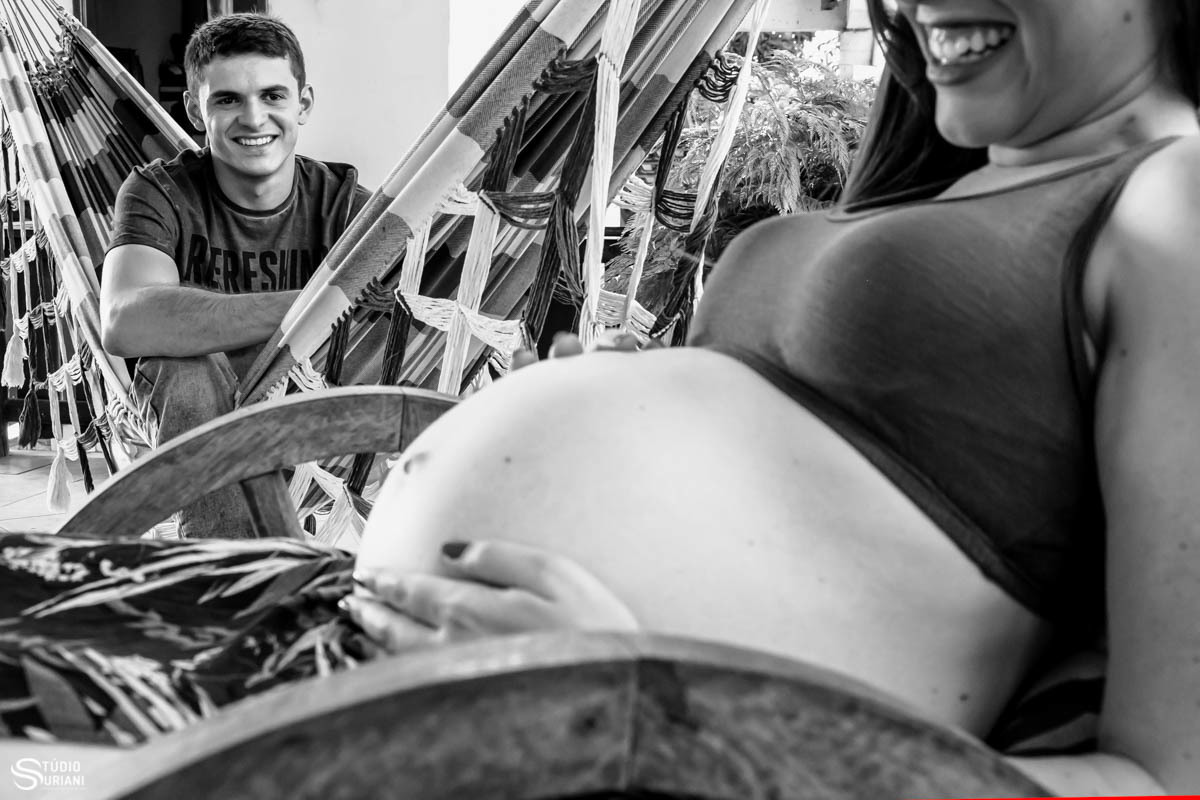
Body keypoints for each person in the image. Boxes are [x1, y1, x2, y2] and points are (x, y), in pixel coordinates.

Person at [341, 0, 1200, 795]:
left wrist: (669, 721)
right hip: (429, 688)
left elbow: (1165, 777)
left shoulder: (1176, 192)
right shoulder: (954, 185)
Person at [99, 13, 370, 539]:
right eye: (227, 100)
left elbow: (403, 318)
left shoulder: (342, 202)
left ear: (304, 104)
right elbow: (124, 323)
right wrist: (321, 304)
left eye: (273, 96)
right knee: (190, 373)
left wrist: (200, 317)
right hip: (186, 407)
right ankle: (225, 575)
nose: (253, 118)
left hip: (305, 409)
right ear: (195, 111)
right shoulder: (159, 191)